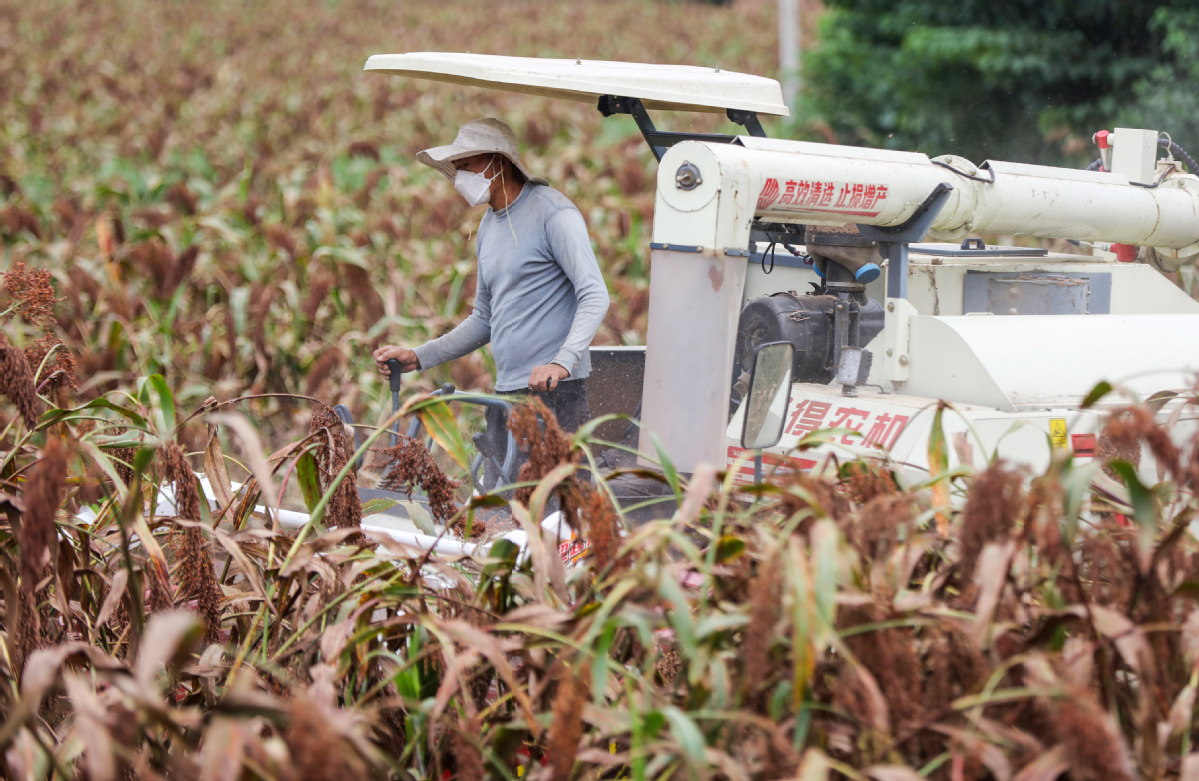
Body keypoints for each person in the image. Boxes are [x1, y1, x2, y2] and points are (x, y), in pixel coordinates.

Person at [374, 118, 609, 447]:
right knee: (501, 497)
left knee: (558, 497)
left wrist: (561, 363)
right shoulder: (488, 226)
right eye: (457, 168)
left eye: (467, 165)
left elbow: (594, 294)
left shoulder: (554, 213)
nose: (461, 176)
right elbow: (485, 318)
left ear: (499, 161)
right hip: (508, 393)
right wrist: (419, 356)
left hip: (556, 393)